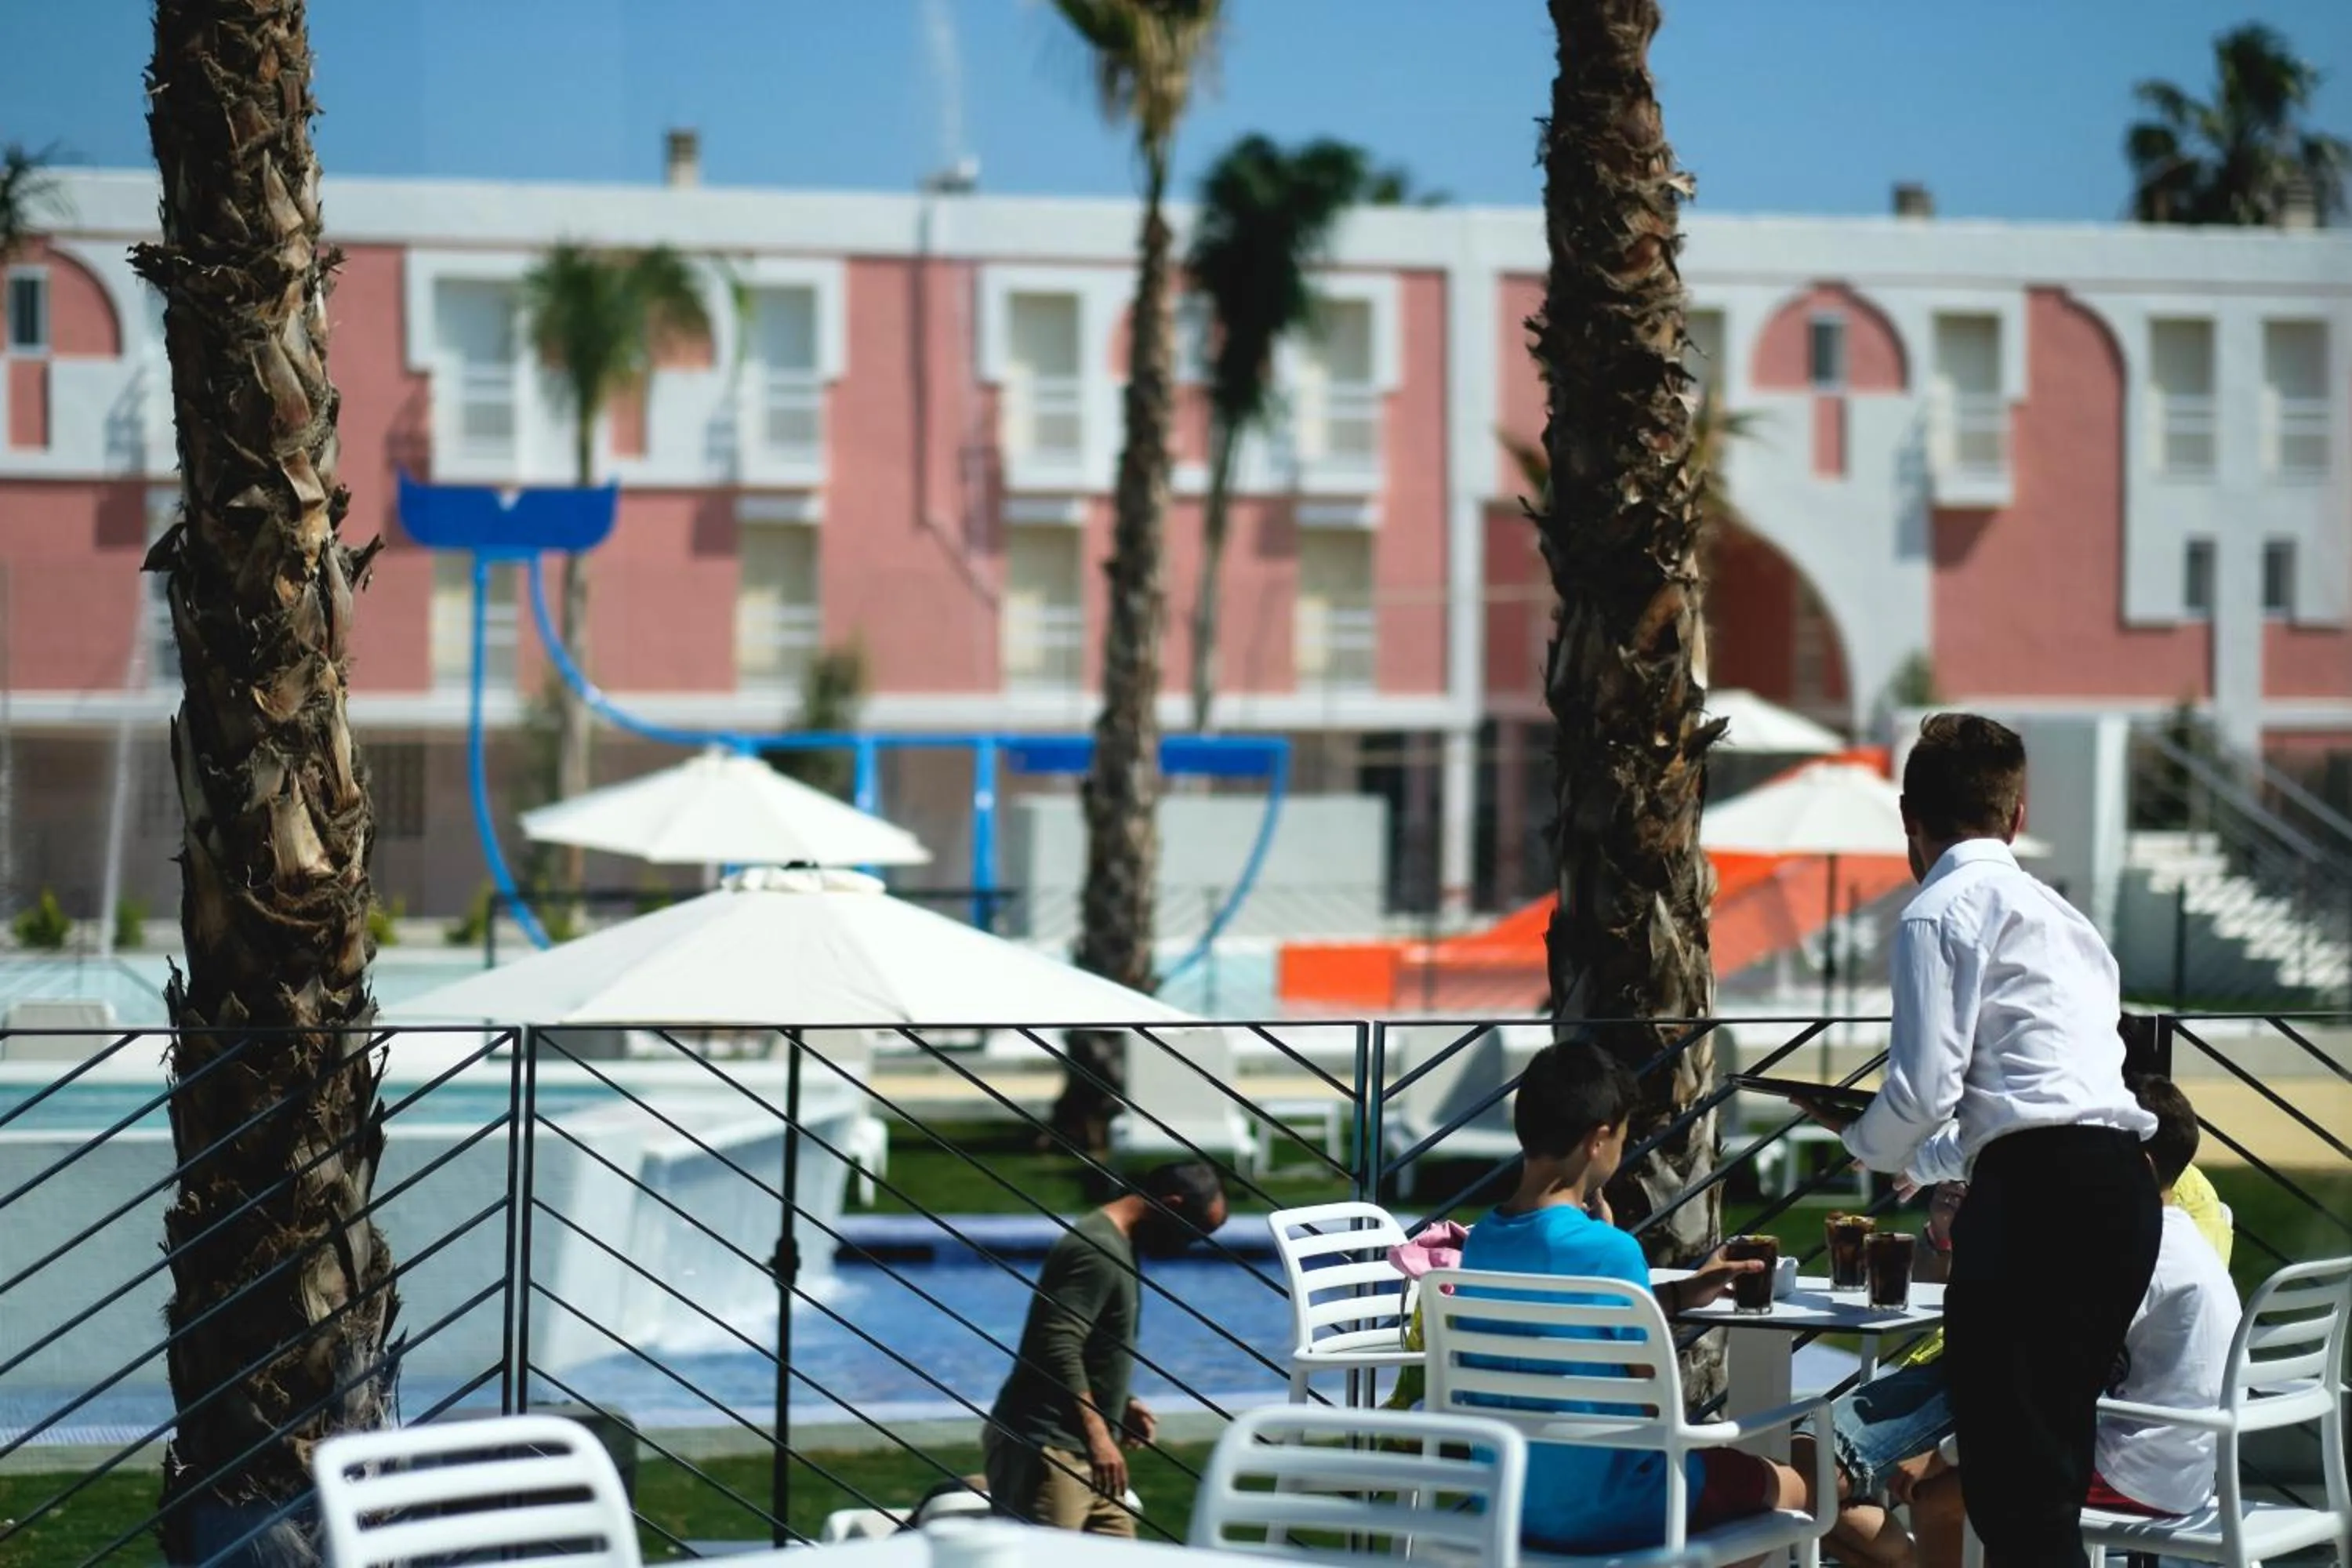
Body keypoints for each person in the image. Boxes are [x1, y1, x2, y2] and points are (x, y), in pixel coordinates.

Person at [1802, 713, 2163, 1567]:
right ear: (2016, 812)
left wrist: (1867, 1142)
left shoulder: (1938, 911)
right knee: (2045, 1477)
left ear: (1908, 817)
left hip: (2039, 1203)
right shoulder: (2065, 918)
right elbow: (2037, 1097)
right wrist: (1924, 1158)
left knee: (2015, 1489)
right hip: (2119, 1192)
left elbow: (1928, 1087)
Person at [1459, 1041, 1832, 1555]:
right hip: (1620, 1505)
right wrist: (1617, 1255)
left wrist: (1678, 1294)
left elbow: (1570, 1323)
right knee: (1792, 1490)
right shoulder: (1610, 1253)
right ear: (1600, 1139)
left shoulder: (1480, 1244)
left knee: (1736, 1495)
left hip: (1509, 1501)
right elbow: (1662, 1408)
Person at [1907, 1074, 2243, 1568]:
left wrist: (1948, 1453)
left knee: (1938, 1502)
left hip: (2138, 1471)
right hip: (2184, 1463)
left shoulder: (2137, 1251)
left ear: (2139, 1166)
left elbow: (2046, 1381)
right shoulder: (2183, 1240)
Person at [982, 1161, 1229, 1535]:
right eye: (1192, 1234)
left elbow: (1089, 1346)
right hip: (1051, 1451)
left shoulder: (1119, 1243)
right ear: (1172, 1205)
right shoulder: (1096, 1251)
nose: (1186, 1245)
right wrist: (1099, 1436)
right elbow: (1056, 1345)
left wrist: (1120, 1401)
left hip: (1087, 1454)